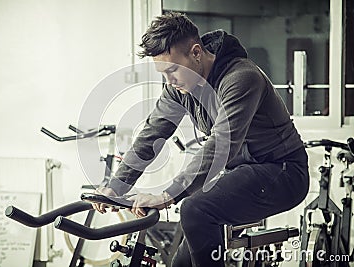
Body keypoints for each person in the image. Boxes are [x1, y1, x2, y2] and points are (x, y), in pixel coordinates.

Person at [92, 12, 309, 267]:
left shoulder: (241, 78)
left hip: (284, 173)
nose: (169, 81)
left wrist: (168, 194)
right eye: (163, 73)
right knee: (183, 258)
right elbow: (153, 134)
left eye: (173, 70)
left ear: (196, 53)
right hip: (241, 173)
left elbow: (221, 145)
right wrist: (116, 186)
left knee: (194, 209)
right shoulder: (178, 89)